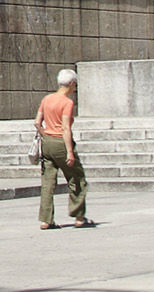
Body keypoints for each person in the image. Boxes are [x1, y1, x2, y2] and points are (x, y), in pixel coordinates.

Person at [35, 68, 90, 229]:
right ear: (71, 83)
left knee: (47, 183)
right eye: (75, 85)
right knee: (77, 178)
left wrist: (45, 134)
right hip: (61, 142)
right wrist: (70, 152)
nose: (75, 88)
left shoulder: (46, 99)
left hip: (47, 143)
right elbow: (66, 128)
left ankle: (46, 220)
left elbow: (37, 122)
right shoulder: (67, 103)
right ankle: (78, 216)